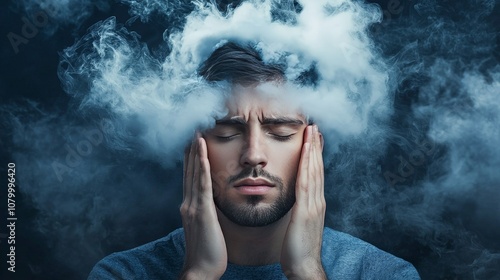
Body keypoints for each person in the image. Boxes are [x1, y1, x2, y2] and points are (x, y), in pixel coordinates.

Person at [88, 42, 420, 279]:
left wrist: (306, 270)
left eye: (280, 132)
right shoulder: (122, 274)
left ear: (314, 143)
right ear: (193, 145)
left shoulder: (382, 274)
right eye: (227, 133)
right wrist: (199, 274)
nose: (253, 156)